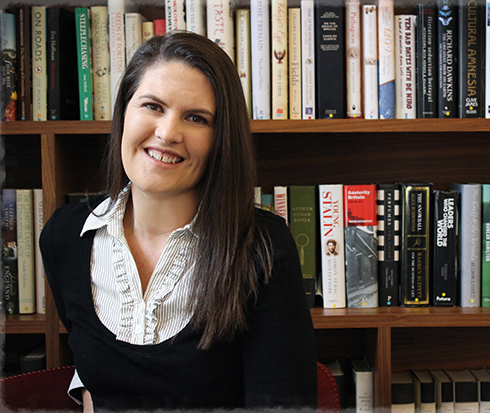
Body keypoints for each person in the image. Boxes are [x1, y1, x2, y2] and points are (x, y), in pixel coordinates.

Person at [40, 32, 317, 411]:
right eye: (153, 106)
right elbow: (92, 375)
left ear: (220, 139)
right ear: (124, 113)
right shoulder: (63, 237)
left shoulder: (261, 245)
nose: (168, 133)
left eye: (196, 118)